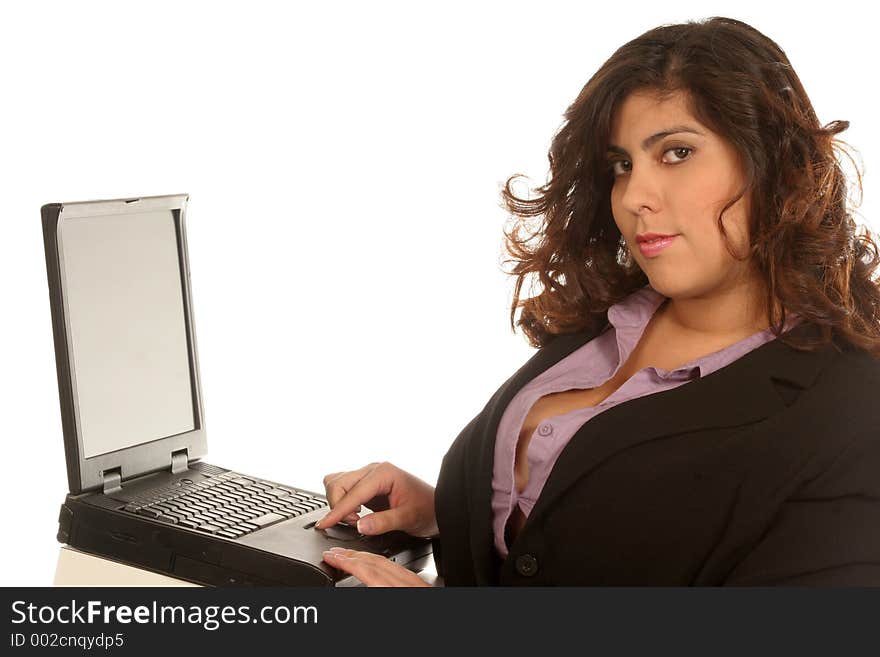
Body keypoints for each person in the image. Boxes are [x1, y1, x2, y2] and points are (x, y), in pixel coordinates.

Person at [316, 16, 880, 586]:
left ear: (774, 164)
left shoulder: (852, 406)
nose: (635, 195)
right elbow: (599, 540)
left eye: (677, 152)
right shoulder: (603, 322)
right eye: (622, 165)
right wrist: (449, 515)